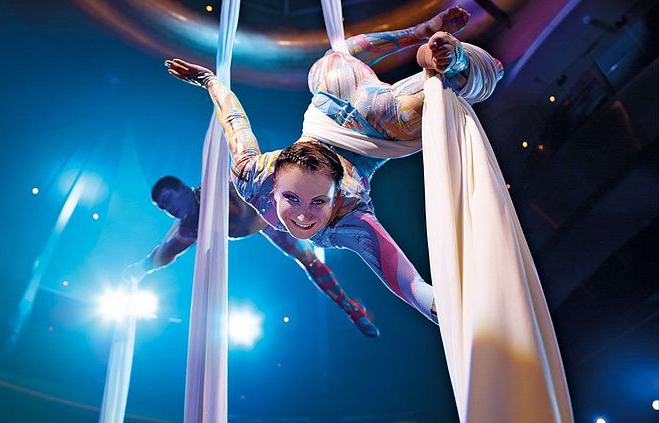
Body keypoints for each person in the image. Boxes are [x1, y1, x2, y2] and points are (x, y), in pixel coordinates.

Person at [165, 7, 503, 325]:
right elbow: (412, 285)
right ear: (275, 185)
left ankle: (435, 51)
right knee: (345, 60)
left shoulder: (324, 207)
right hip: (347, 103)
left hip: (358, 114)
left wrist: (210, 82)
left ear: (336, 193)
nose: (303, 216)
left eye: (317, 201)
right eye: (294, 199)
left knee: (350, 67)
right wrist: (451, 316)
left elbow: (234, 119)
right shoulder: (320, 207)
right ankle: (436, 52)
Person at [128, 176, 380, 337]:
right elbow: (166, 252)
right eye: (164, 208)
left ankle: (350, 305)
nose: (170, 209)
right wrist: (140, 269)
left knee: (311, 257)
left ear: (183, 189)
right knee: (307, 259)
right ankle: (350, 307)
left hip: (272, 209)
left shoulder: (217, 187)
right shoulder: (190, 227)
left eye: (169, 200)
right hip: (264, 223)